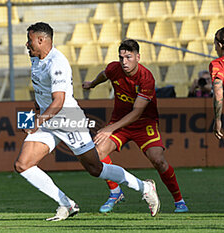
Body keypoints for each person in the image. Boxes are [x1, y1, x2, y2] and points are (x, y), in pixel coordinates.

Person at [14, 22, 160, 221]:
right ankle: (66, 204)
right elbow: (42, 92)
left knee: (95, 168)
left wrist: (37, 121)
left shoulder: (57, 63)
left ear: (41, 40)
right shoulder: (35, 59)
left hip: (68, 119)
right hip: (48, 120)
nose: (26, 44)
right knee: (23, 164)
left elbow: (59, 101)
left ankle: (144, 186)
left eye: (29, 40)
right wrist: (36, 112)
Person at [82, 39, 188, 214]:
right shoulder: (114, 68)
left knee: (158, 161)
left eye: (128, 57)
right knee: (97, 153)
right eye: (121, 57)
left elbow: (137, 113)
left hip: (143, 123)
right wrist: (92, 84)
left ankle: (179, 200)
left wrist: (110, 128)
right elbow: (104, 74)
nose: (124, 61)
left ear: (138, 57)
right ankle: (115, 192)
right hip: (120, 123)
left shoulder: (146, 78)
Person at [210, 27, 224, 140]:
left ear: (220, 45)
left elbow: (218, 92)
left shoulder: (218, 64)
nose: (215, 48)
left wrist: (218, 119)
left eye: (215, 45)